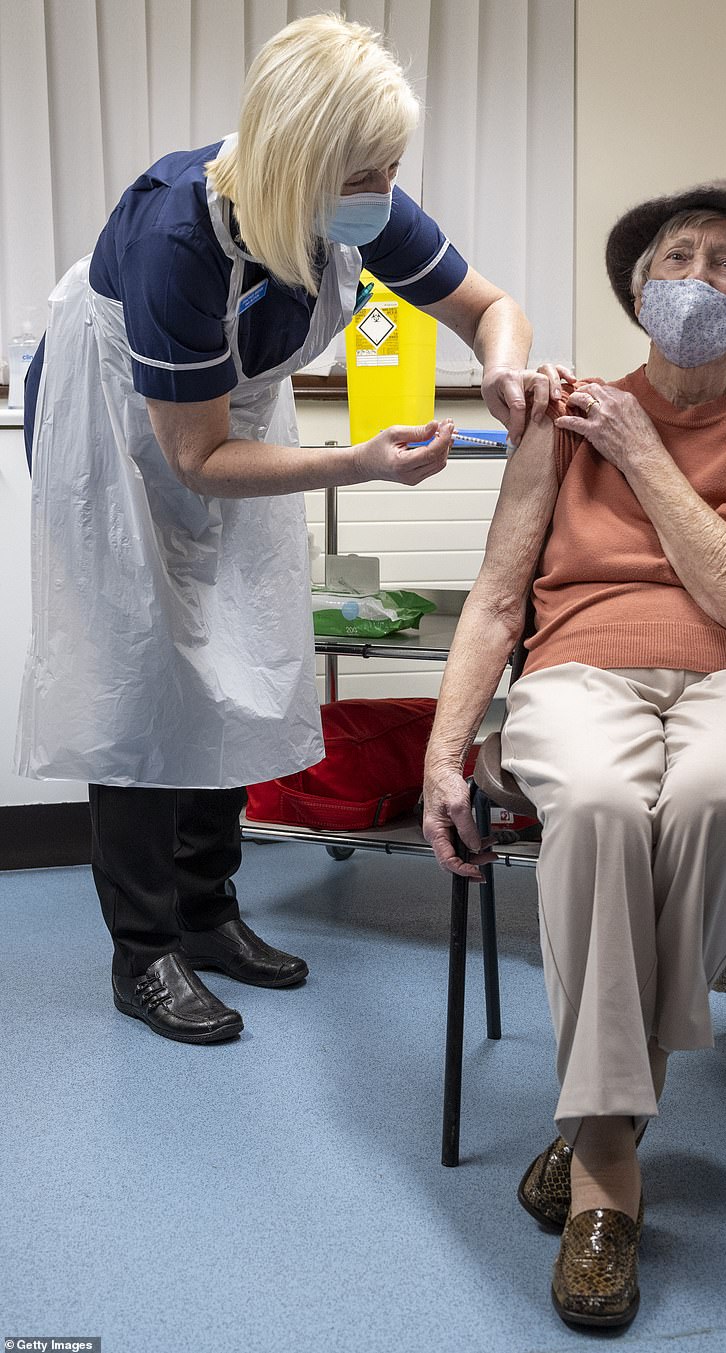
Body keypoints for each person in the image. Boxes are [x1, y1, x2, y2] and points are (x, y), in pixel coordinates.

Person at [16, 12, 551, 1046]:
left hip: (224, 419)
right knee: (140, 672)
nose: (386, 187)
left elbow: (494, 307)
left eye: (392, 165)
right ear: (302, 161)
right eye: (369, 167)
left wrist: (501, 364)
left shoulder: (357, 201)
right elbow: (195, 459)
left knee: (244, 647)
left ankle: (211, 912)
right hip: (118, 426)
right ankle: (145, 950)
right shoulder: (179, 234)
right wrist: (356, 463)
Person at [422, 180, 726, 1329]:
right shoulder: (560, 414)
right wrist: (442, 757)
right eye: (676, 258)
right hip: (580, 672)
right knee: (597, 803)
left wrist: (646, 452)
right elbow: (500, 603)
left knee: (723, 788)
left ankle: (595, 1123)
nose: (695, 280)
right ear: (639, 287)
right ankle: (612, 1165)